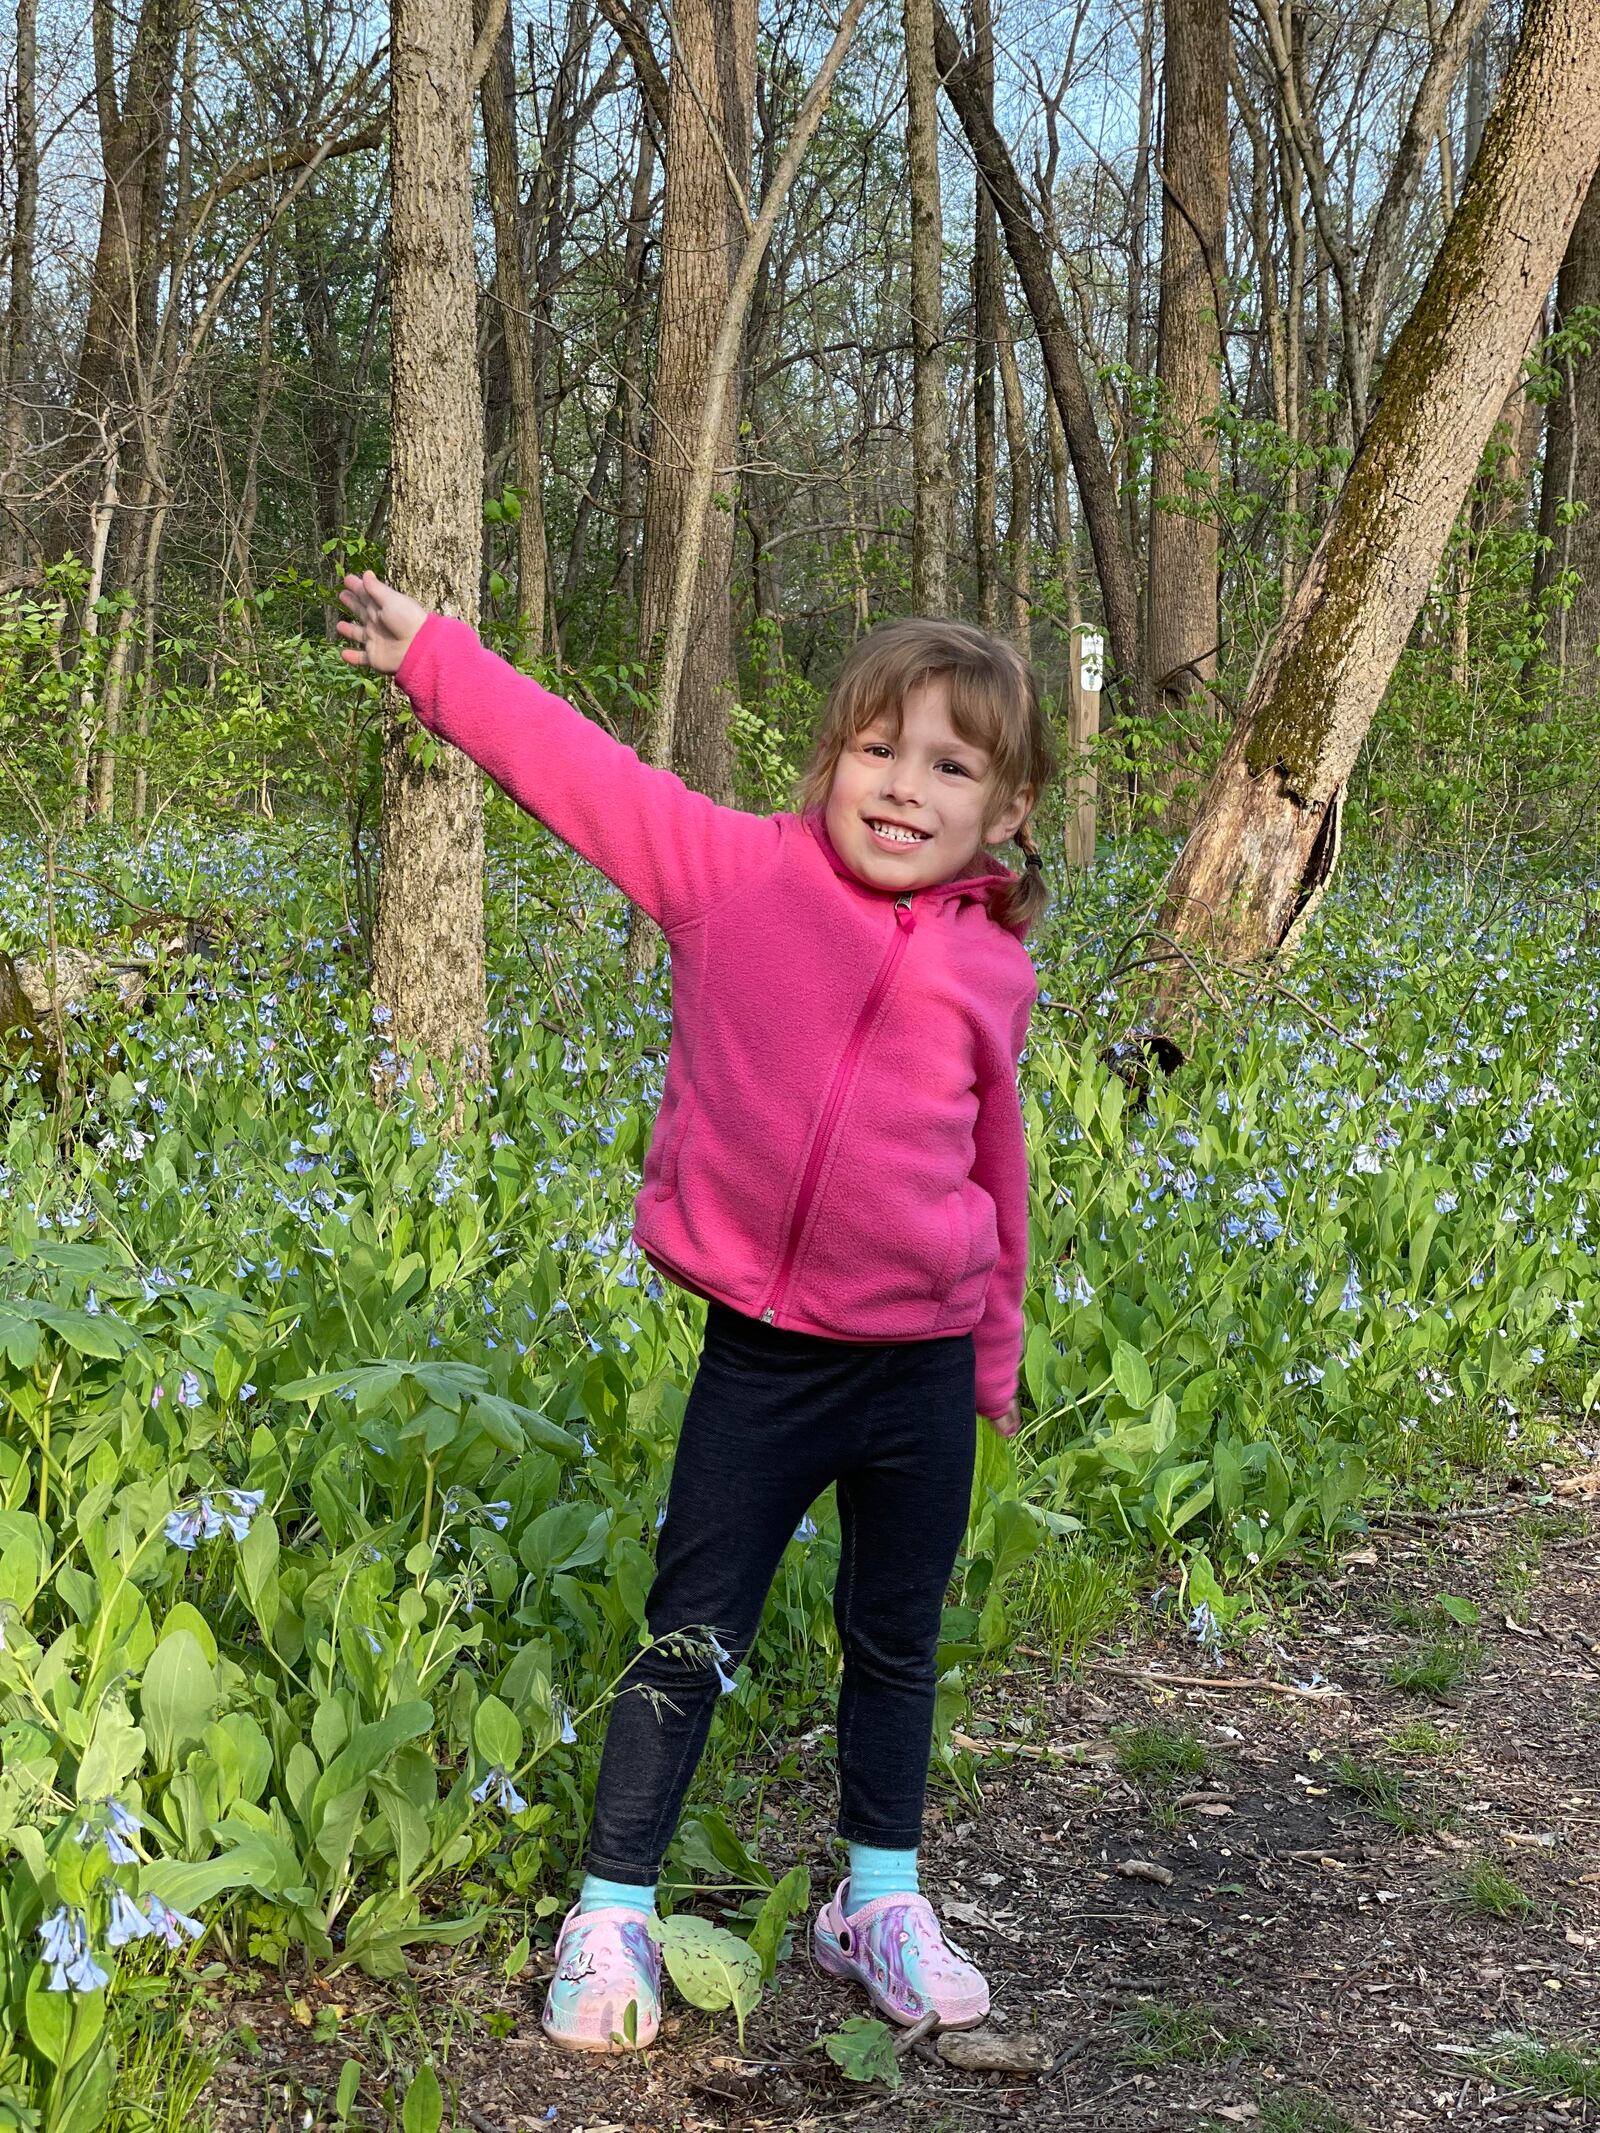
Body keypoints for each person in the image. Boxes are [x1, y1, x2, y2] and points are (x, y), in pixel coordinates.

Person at [337, 572, 1055, 2054]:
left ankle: (880, 1898)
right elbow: (581, 771)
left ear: (1006, 810)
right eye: (878, 746)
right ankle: (610, 1906)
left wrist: (995, 1354)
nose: (904, 788)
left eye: (950, 765)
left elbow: (999, 1162)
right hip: (769, 1360)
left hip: (919, 1367)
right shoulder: (732, 874)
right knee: (692, 1633)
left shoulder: (994, 964)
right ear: (827, 758)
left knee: (896, 1637)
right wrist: (437, 663)